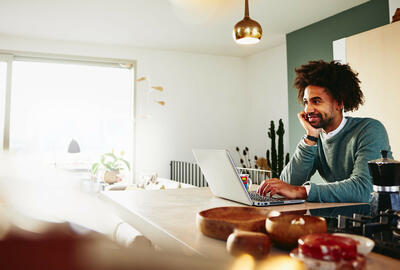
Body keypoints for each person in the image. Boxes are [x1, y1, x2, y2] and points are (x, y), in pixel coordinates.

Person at [257, 60, 392, 202]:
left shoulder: (370, 130)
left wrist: (301, 191)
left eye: (316, 101)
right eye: (306, 102)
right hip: (338, 218)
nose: (307, 110)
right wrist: (310, 139)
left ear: (339, 103)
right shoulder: (316, 138)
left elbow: (363, 189)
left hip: (377, 220)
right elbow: (288, 184)